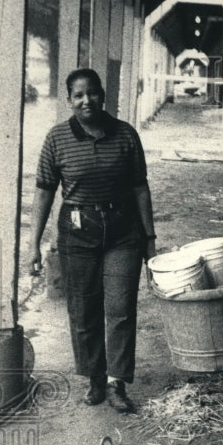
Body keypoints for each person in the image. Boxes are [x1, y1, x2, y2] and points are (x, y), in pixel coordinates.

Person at [29, 68, 156, 414]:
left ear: (103, 95)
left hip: (122, 231)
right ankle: (95, 378)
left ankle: (117, 383)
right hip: (77, 232)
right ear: (69, 101)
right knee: (84, 309)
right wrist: (33, 246)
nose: (87, 101)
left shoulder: (126, 135)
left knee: (120, 308)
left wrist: (149, 238)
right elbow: (43, 192)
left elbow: (140, 188)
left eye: (93, 93)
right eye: (78, 95)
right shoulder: (57, 139)